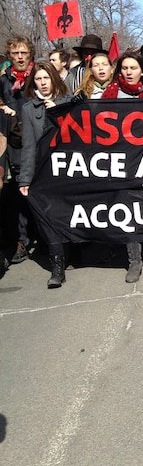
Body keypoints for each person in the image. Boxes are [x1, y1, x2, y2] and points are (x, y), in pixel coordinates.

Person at [101, 52, 143, 283]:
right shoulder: (110, 95)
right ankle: (135, 260)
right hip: (120, 161)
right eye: (124, 68)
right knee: (128, 208)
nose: (128, 72)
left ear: (141, 71)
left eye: (133, 68)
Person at [18, 63, 70, 287]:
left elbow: (75, 135)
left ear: (54, 79)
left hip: (69, 169)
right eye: (38, 79)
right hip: (44, 172)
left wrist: (55, 111)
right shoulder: (29, 109)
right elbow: (28, 146)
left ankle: (77, 251)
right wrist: (25, 179)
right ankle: (57, 264)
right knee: (49, 218)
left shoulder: (67, 102)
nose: (42, 82)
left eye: (46, 78)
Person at [1, 36, 36, 264]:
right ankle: (21, 240)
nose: (20, 57)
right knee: (16, 192)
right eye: (16, 53)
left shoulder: (37, 75)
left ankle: (43, 238)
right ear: (10, 56)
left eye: (23, 53)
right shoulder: (4, 80)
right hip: (14, 143)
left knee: (36, 190)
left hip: (35, 141)